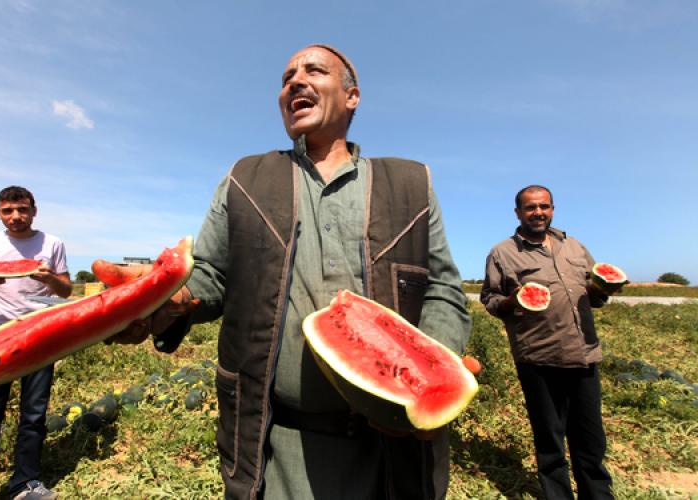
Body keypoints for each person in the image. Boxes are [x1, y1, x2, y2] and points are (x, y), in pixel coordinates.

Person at [111, 44, 471, 499]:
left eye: (314, 71)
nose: (295, 82)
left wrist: (430, 372)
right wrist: (167, 299)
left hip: (391, 444)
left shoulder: (411, 183)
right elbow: (211, 276)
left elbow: (442, 290)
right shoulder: (247, 178)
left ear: (352, 95)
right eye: (286, 78)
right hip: (275, 439)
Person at [480, 185, 616, 499]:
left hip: (584, 354)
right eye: (530, 208)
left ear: (552, 208)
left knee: (590, 439)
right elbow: (489, 299)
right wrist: (513, 302)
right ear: (518, 213)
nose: (538, 213)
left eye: (544, 206)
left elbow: (593, 293)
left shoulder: (575, 246)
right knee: (550, 440)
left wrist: (604, 288)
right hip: (538, 357)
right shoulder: (503, 253)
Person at [0, 186, 72, 500]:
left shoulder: (52, 243)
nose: (16, 216)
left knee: (33, 417)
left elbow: (65, 291)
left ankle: (25, 484)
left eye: (22, 209)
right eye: (8, 211)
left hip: (39, 336)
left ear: (34, 210)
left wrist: (49, 278)